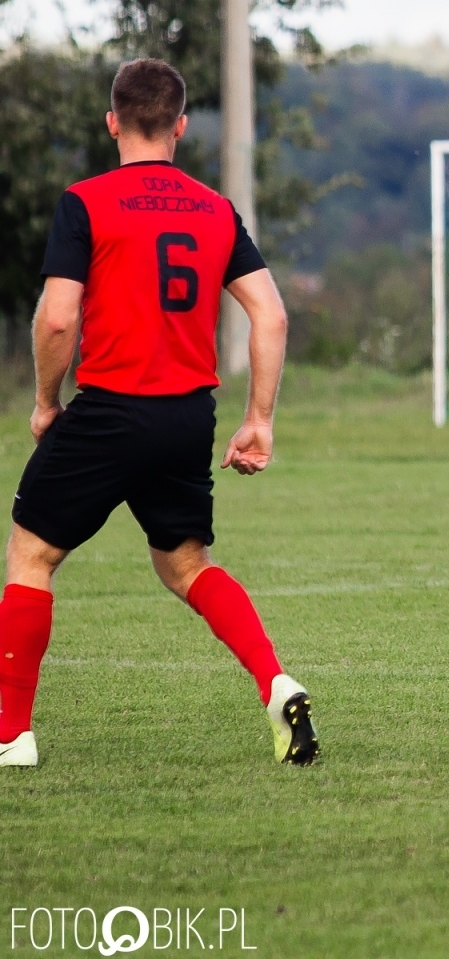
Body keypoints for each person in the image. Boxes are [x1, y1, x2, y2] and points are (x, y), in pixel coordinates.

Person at [0, 59, 318, 768]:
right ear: (180, 126)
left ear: (113, 121)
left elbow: (57, 320)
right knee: (184, 563)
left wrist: (48, 402)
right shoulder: (213, 208)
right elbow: (270, 313)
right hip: (186, 418)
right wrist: (258, 418)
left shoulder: (85, 202)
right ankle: (276, 680)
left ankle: (11, 735)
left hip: (110, 409)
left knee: (30, 553)